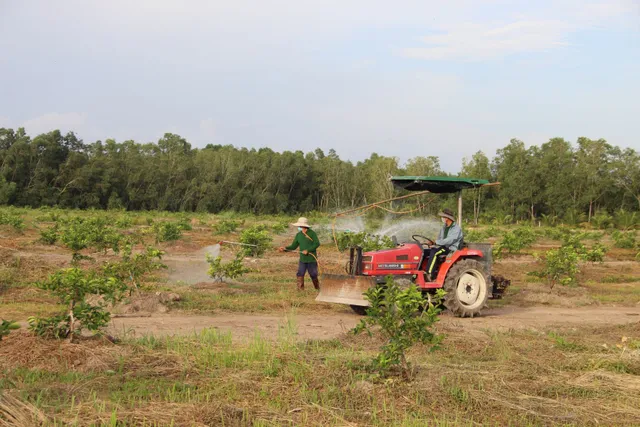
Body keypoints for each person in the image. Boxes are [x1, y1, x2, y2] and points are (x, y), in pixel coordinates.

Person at [278, 217, 321, 290]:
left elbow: (317, 243)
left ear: (304, 226)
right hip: (302, 259)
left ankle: (317, 288)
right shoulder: (298, 235)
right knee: (300, 273)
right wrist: (285, 249)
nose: (299, 227)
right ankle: (300, 290)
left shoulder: (312, 233)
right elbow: (293, 246)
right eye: (299, 226)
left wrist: (308, 250)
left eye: (300, 226)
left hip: (311, 258)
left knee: (313, 274)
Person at [425, 208, 464, 280]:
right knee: (425, 251)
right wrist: (433, 244)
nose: (442, 218)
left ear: (447, 218)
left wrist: (436, 242)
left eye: (443, 217)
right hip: (443, 247)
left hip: (451, 249)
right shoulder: (444, 227)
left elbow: (450, 240)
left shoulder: (456, 229)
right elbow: (440, 239)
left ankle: (429, 274)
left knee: (435, 252)